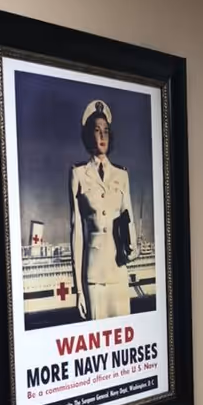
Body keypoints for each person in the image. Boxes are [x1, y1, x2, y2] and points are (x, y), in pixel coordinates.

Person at [70, 100, 137, 321]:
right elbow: (77, 232)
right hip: (94, 276)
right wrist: (78, 290)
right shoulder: (78, 174)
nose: (102, 137)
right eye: (97, 131)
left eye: (106, 131)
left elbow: (129, 220)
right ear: (89, 136)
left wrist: (133, 247)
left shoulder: (121, 175)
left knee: (123, 341)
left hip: (119, 271)